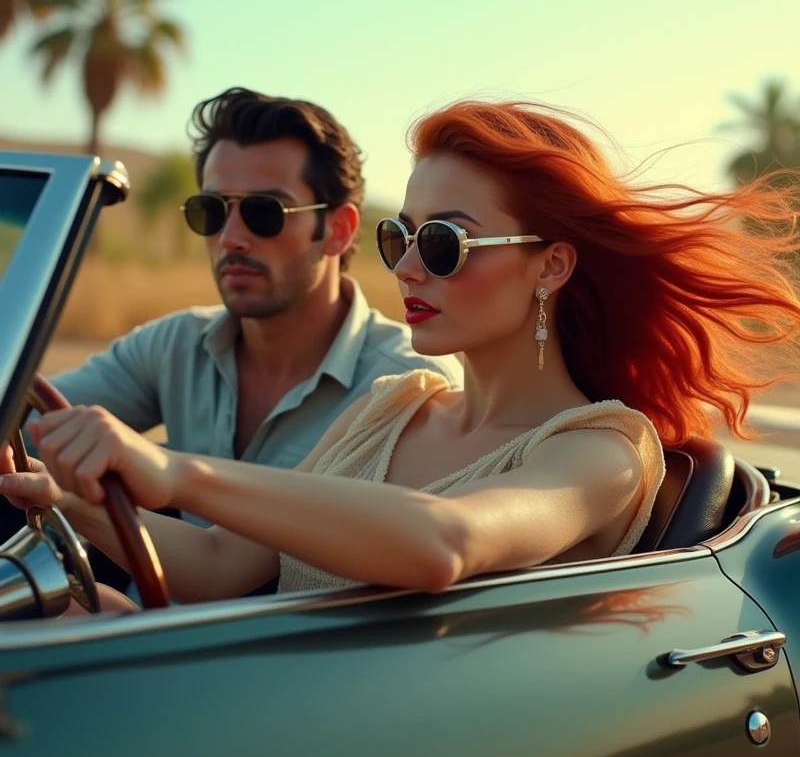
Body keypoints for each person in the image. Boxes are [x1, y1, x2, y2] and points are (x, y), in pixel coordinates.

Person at [3, 98, 800, 612]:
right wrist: (56, 497)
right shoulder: (394, 404)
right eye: (402, 237)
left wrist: (178, 472)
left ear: (551, 266)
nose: (409, 267)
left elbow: (442, 543)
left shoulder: (603, 449)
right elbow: (213, 567)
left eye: (445, 242)